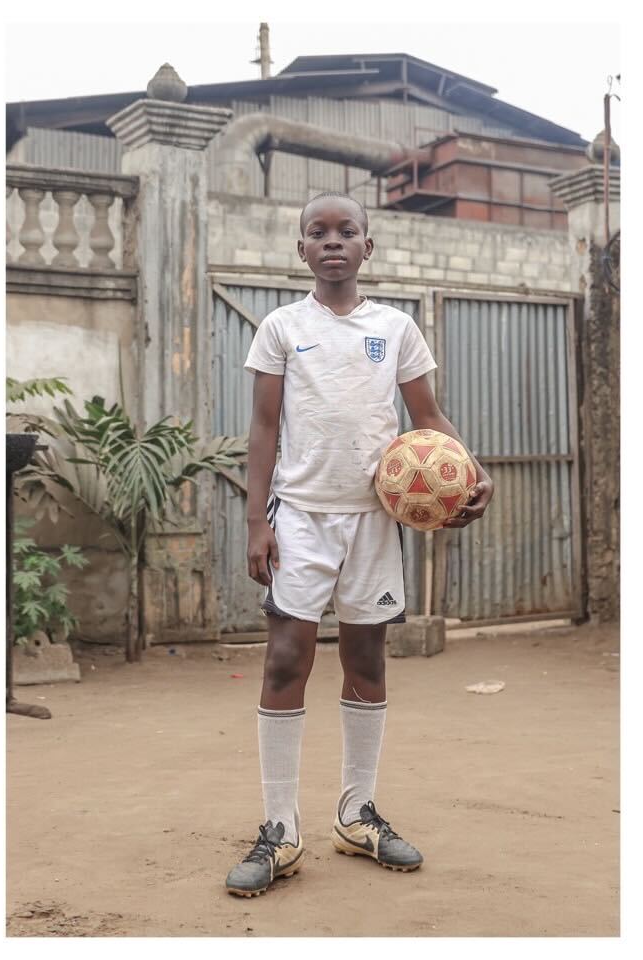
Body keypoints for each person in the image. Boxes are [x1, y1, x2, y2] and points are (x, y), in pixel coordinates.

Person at [227, 192, 494, 897]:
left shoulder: (396, 328)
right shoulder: (282, 328)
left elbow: (428, 415)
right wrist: (258, 521)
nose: (334, 242)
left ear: (368, 247)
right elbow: (262, 431)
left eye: (348, 231)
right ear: (302, 250)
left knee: (367, 654)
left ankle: (357, 812)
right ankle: (280, 827)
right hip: (302, 518)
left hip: (374, 519)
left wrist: (473, 471)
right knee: (286, 657)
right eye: (319, 232)